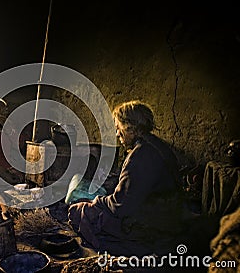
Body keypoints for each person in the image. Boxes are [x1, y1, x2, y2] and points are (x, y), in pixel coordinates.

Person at [68, 100, 186, 256]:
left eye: (118, 128)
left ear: (131, 127)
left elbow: (120, 206)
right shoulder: (157, 145)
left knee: (78, 211)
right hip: (169, 215)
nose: (117, 134)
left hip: (154, 225)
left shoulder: (139, 156)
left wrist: (97, 201)